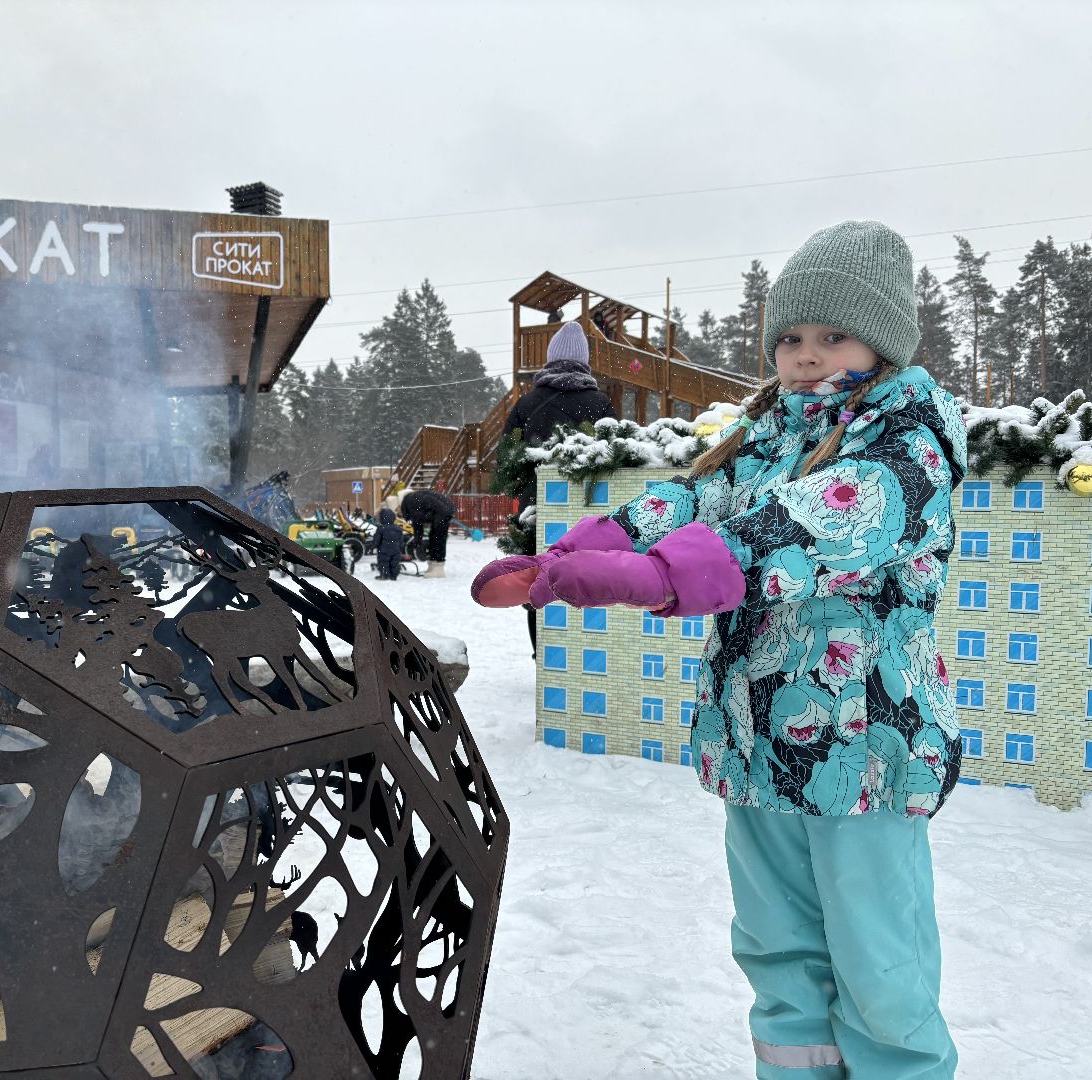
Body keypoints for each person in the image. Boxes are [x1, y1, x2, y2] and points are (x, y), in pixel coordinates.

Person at [472, 221, 965, 1079]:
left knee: (878, 965)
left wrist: (660, 576)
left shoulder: (907, 444)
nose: (806, 355)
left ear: (884, 343)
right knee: (777, 954)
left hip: (866, 750)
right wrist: (571, 559)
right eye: (789, 338)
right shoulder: (765, 435)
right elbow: (687, 502)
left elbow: (817, 521)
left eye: (832, 336)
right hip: (758, 738)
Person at [499, 319, 618, 657]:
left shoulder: (527, 403)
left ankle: (544, 654)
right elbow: (616, 457)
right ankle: (587, 654)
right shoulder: (601, 404)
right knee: (590, 581)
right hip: (591, 511)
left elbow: (505, 461)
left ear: (550, 359)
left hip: (537, 512)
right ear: (584, 361)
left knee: (539, 581)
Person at [399, 488, 455, 578]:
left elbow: (433, 502)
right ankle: (433, 566)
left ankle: (438, 570)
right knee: (433, 537)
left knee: (437, 539)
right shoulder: (412, 502)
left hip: (442, 510)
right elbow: (418, 526)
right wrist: (417, 541)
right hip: (443, 510)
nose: (397, 511)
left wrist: (439, 519)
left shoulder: (411, 501)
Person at [366, 506, 405, 581]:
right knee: (394, 563)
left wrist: (372, 547)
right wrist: (400, 547)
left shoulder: (381, 529)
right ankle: (393, 576)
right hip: (396, 550)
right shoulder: (398, 528)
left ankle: (384, 575)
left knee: (383, 562)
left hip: (384, 550)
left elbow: (376, 540)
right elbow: (401, 540)